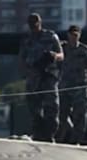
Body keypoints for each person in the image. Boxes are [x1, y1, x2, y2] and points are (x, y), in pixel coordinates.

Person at [18, 13, 64, 142]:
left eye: (35, 22)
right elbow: (21, 59)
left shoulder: (50, 36)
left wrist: (53, 56)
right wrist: (27, 73)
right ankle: (38, 134)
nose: (33, 25)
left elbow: (61, 55)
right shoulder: (26, 40)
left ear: (40, 22)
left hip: (48, 77)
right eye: (31, 23)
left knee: (52, 108)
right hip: (33, 78)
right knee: (34, 110)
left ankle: (50, 135)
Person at [58, 25, 87, 143]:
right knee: (61, 115)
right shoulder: (62, 48)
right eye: (72, 35)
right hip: (64, 87)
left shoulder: (84, 50)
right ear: (68, 35)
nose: (74, 37)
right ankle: (60, 138)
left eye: (76, 35)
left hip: (80, 88)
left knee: (81, 116)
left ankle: (76, 140)